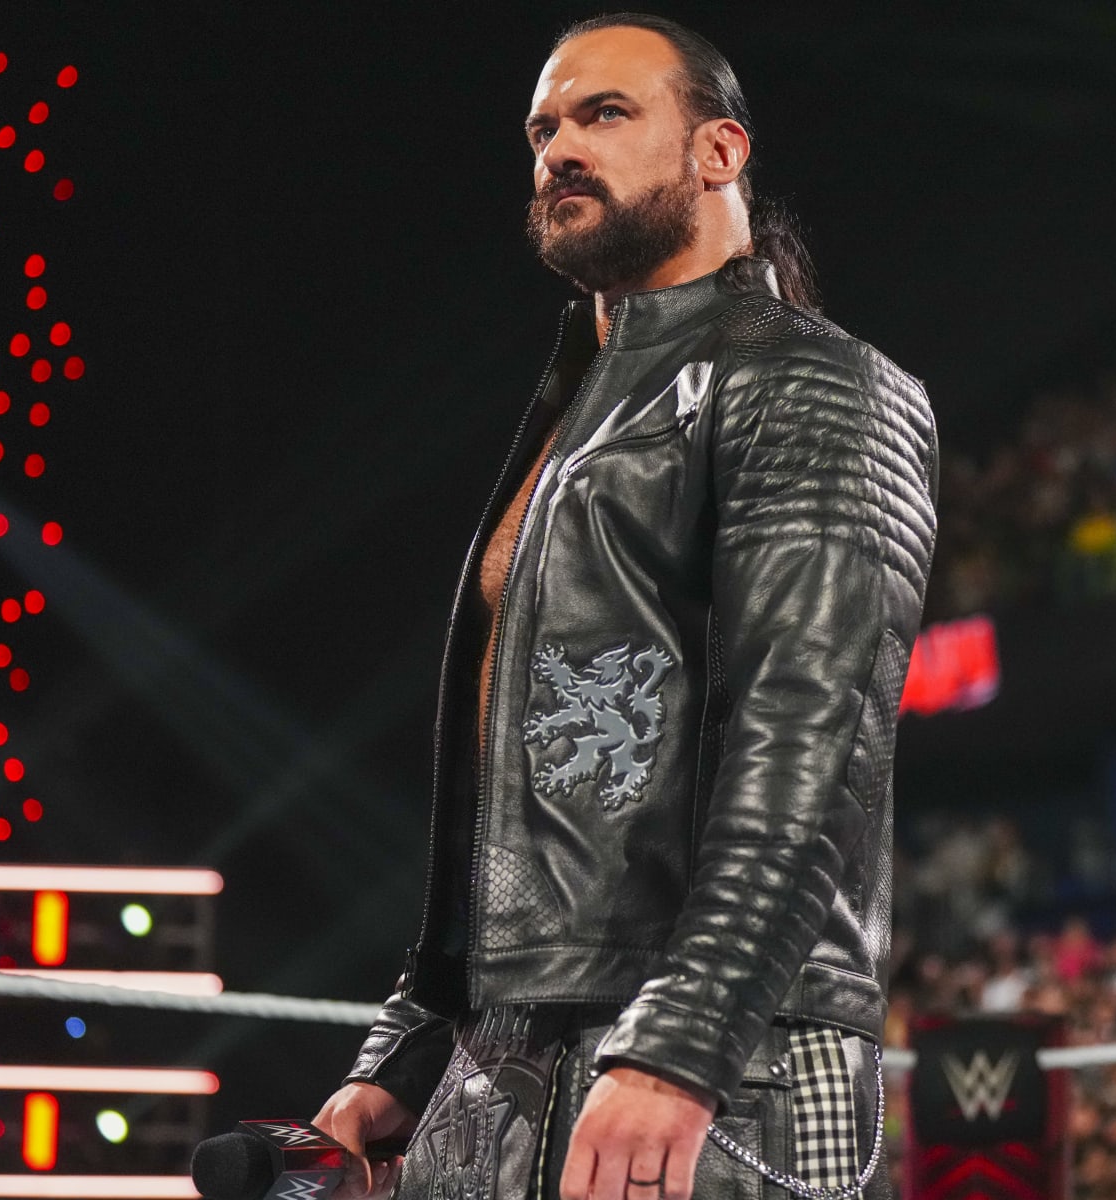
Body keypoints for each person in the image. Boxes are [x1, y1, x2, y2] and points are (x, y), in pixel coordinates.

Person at [309, 14, 937, 1200]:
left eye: (605, 114)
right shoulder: (570, 422)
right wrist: (413, 1044)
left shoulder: (812, 382)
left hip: (719, 1046)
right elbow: (518, 810)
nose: (558, 148)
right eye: (543, 127)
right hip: (509, 1058)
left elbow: (813, 738)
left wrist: (688, 1038)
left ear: (718, 153)